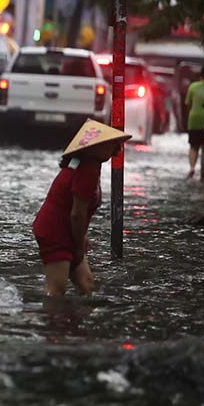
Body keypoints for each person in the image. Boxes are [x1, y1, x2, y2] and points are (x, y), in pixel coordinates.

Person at [32, 119, 131, 297]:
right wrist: (78, 248)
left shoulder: (88, 165)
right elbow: (77, 214)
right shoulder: (87, 170)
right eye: (112, 144)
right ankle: (47, 315)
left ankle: (74, 314)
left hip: (68, 230)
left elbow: (78, 212)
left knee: (87, 285)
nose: (118, 149)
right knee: (56, 290)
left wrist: (82, 236)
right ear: (95, 147)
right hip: (55, 231)